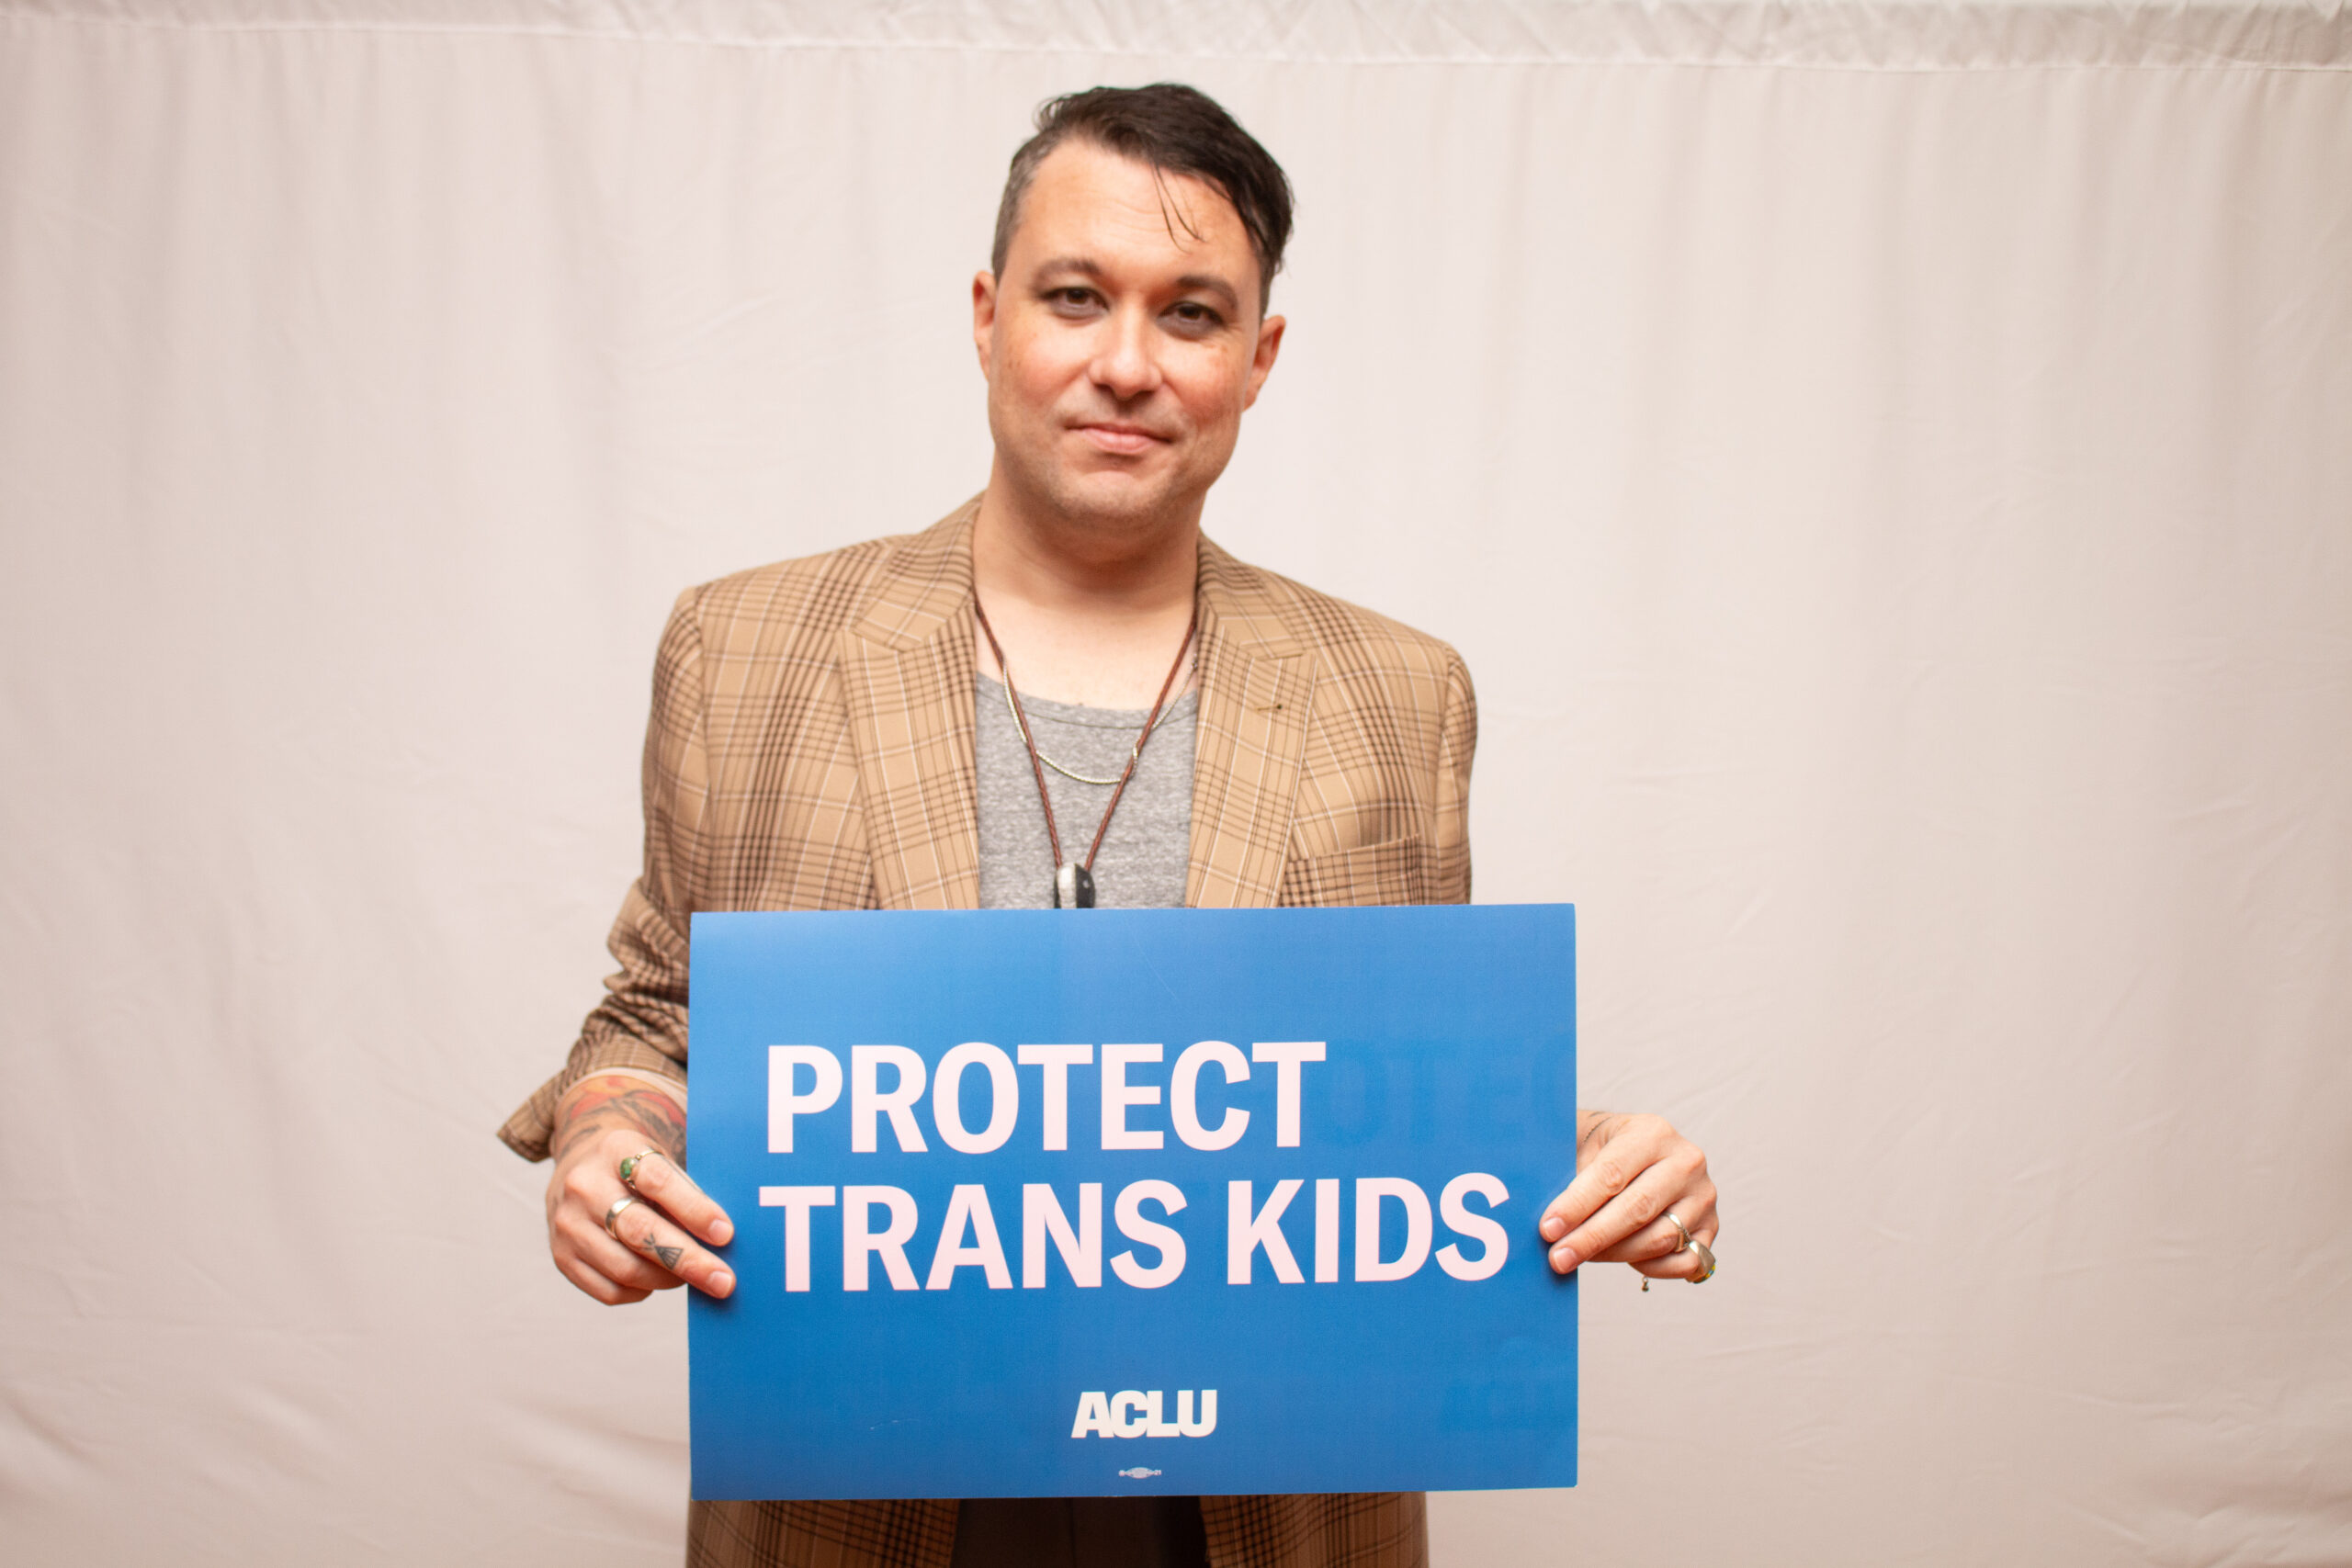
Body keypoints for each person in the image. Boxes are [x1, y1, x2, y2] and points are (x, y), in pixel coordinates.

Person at [499, 83, 1719, 1568]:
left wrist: (1602, 1158)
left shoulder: (1401, 695)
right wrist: (608, 1144)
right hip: (857, 1507)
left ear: (1259, 357)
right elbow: (652, 1021)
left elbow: (1398, 1101)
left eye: (1192, 315)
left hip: (1272, 1515)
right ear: (988, 313)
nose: (1126, 365)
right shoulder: (744, 649)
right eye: (1076, 298)